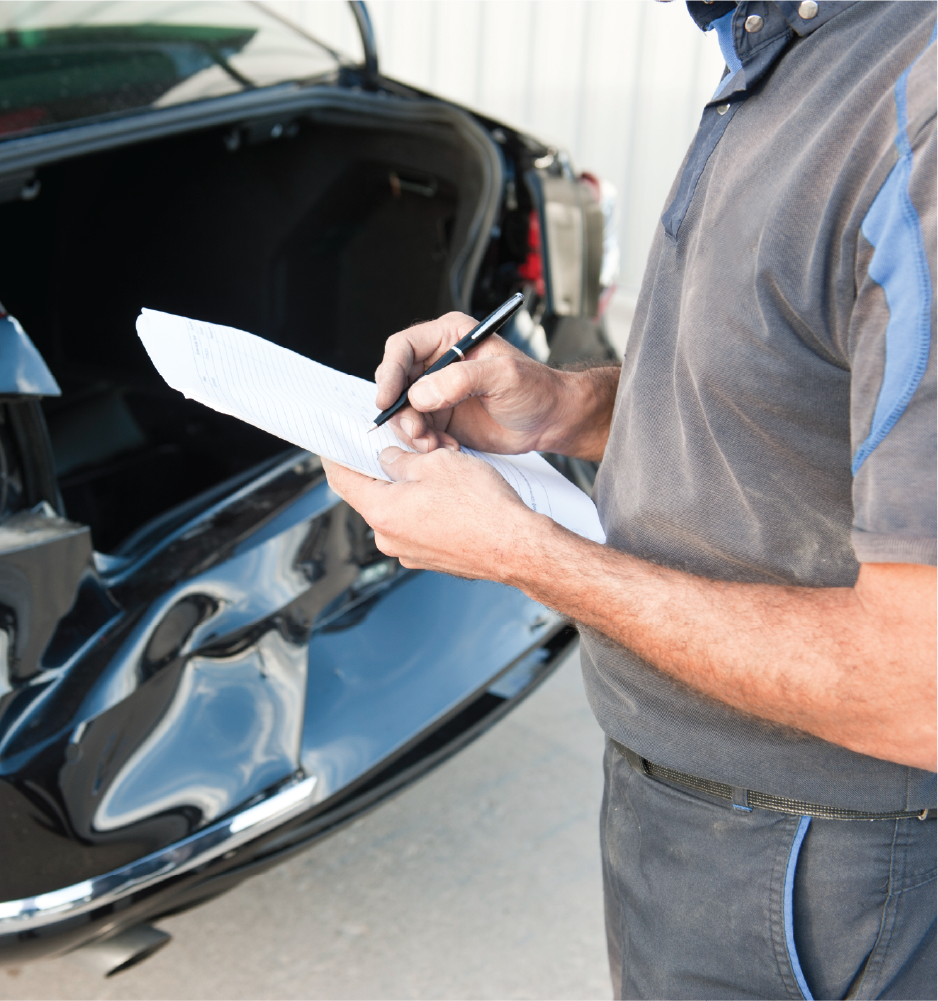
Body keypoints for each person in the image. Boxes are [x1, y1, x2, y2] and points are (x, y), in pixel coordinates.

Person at [321, 1, 938, 998]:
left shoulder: (914, 119)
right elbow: (793, 406)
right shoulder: (784, 49)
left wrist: (527, 552)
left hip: (824, 866)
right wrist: (555, 407)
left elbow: (921, 687)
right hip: (690, 807)